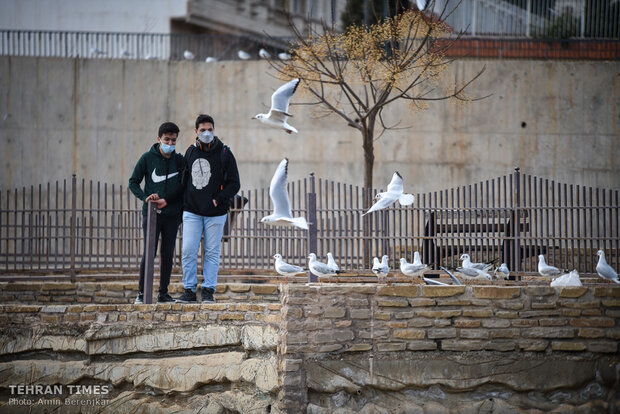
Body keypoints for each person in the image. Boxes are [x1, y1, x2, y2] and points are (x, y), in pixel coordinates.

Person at [177, 114, 240, 303]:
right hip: (191, 211)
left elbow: (234, 183)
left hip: (216, 213)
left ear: (214, 130)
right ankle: (189, 290)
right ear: (196, 131)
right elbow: (183, 181)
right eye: (202, 130)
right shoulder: (189, 153)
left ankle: (208, 291)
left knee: (212, 253)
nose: (206, 133)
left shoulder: (225, 153)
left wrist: (219, 199)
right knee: (188, 250)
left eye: (210, 129)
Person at [129, 122, 185, 304]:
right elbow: (133, 182)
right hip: (151, 215)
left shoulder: (180, 161)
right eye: (167, 139)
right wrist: (145, 197)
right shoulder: (147, 158)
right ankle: (142, 293)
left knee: (168, 254)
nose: (170, 143)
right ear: (159, 139)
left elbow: (183, 187)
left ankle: (163, 293)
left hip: (172, 215)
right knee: (149, 253)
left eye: (173, 140)